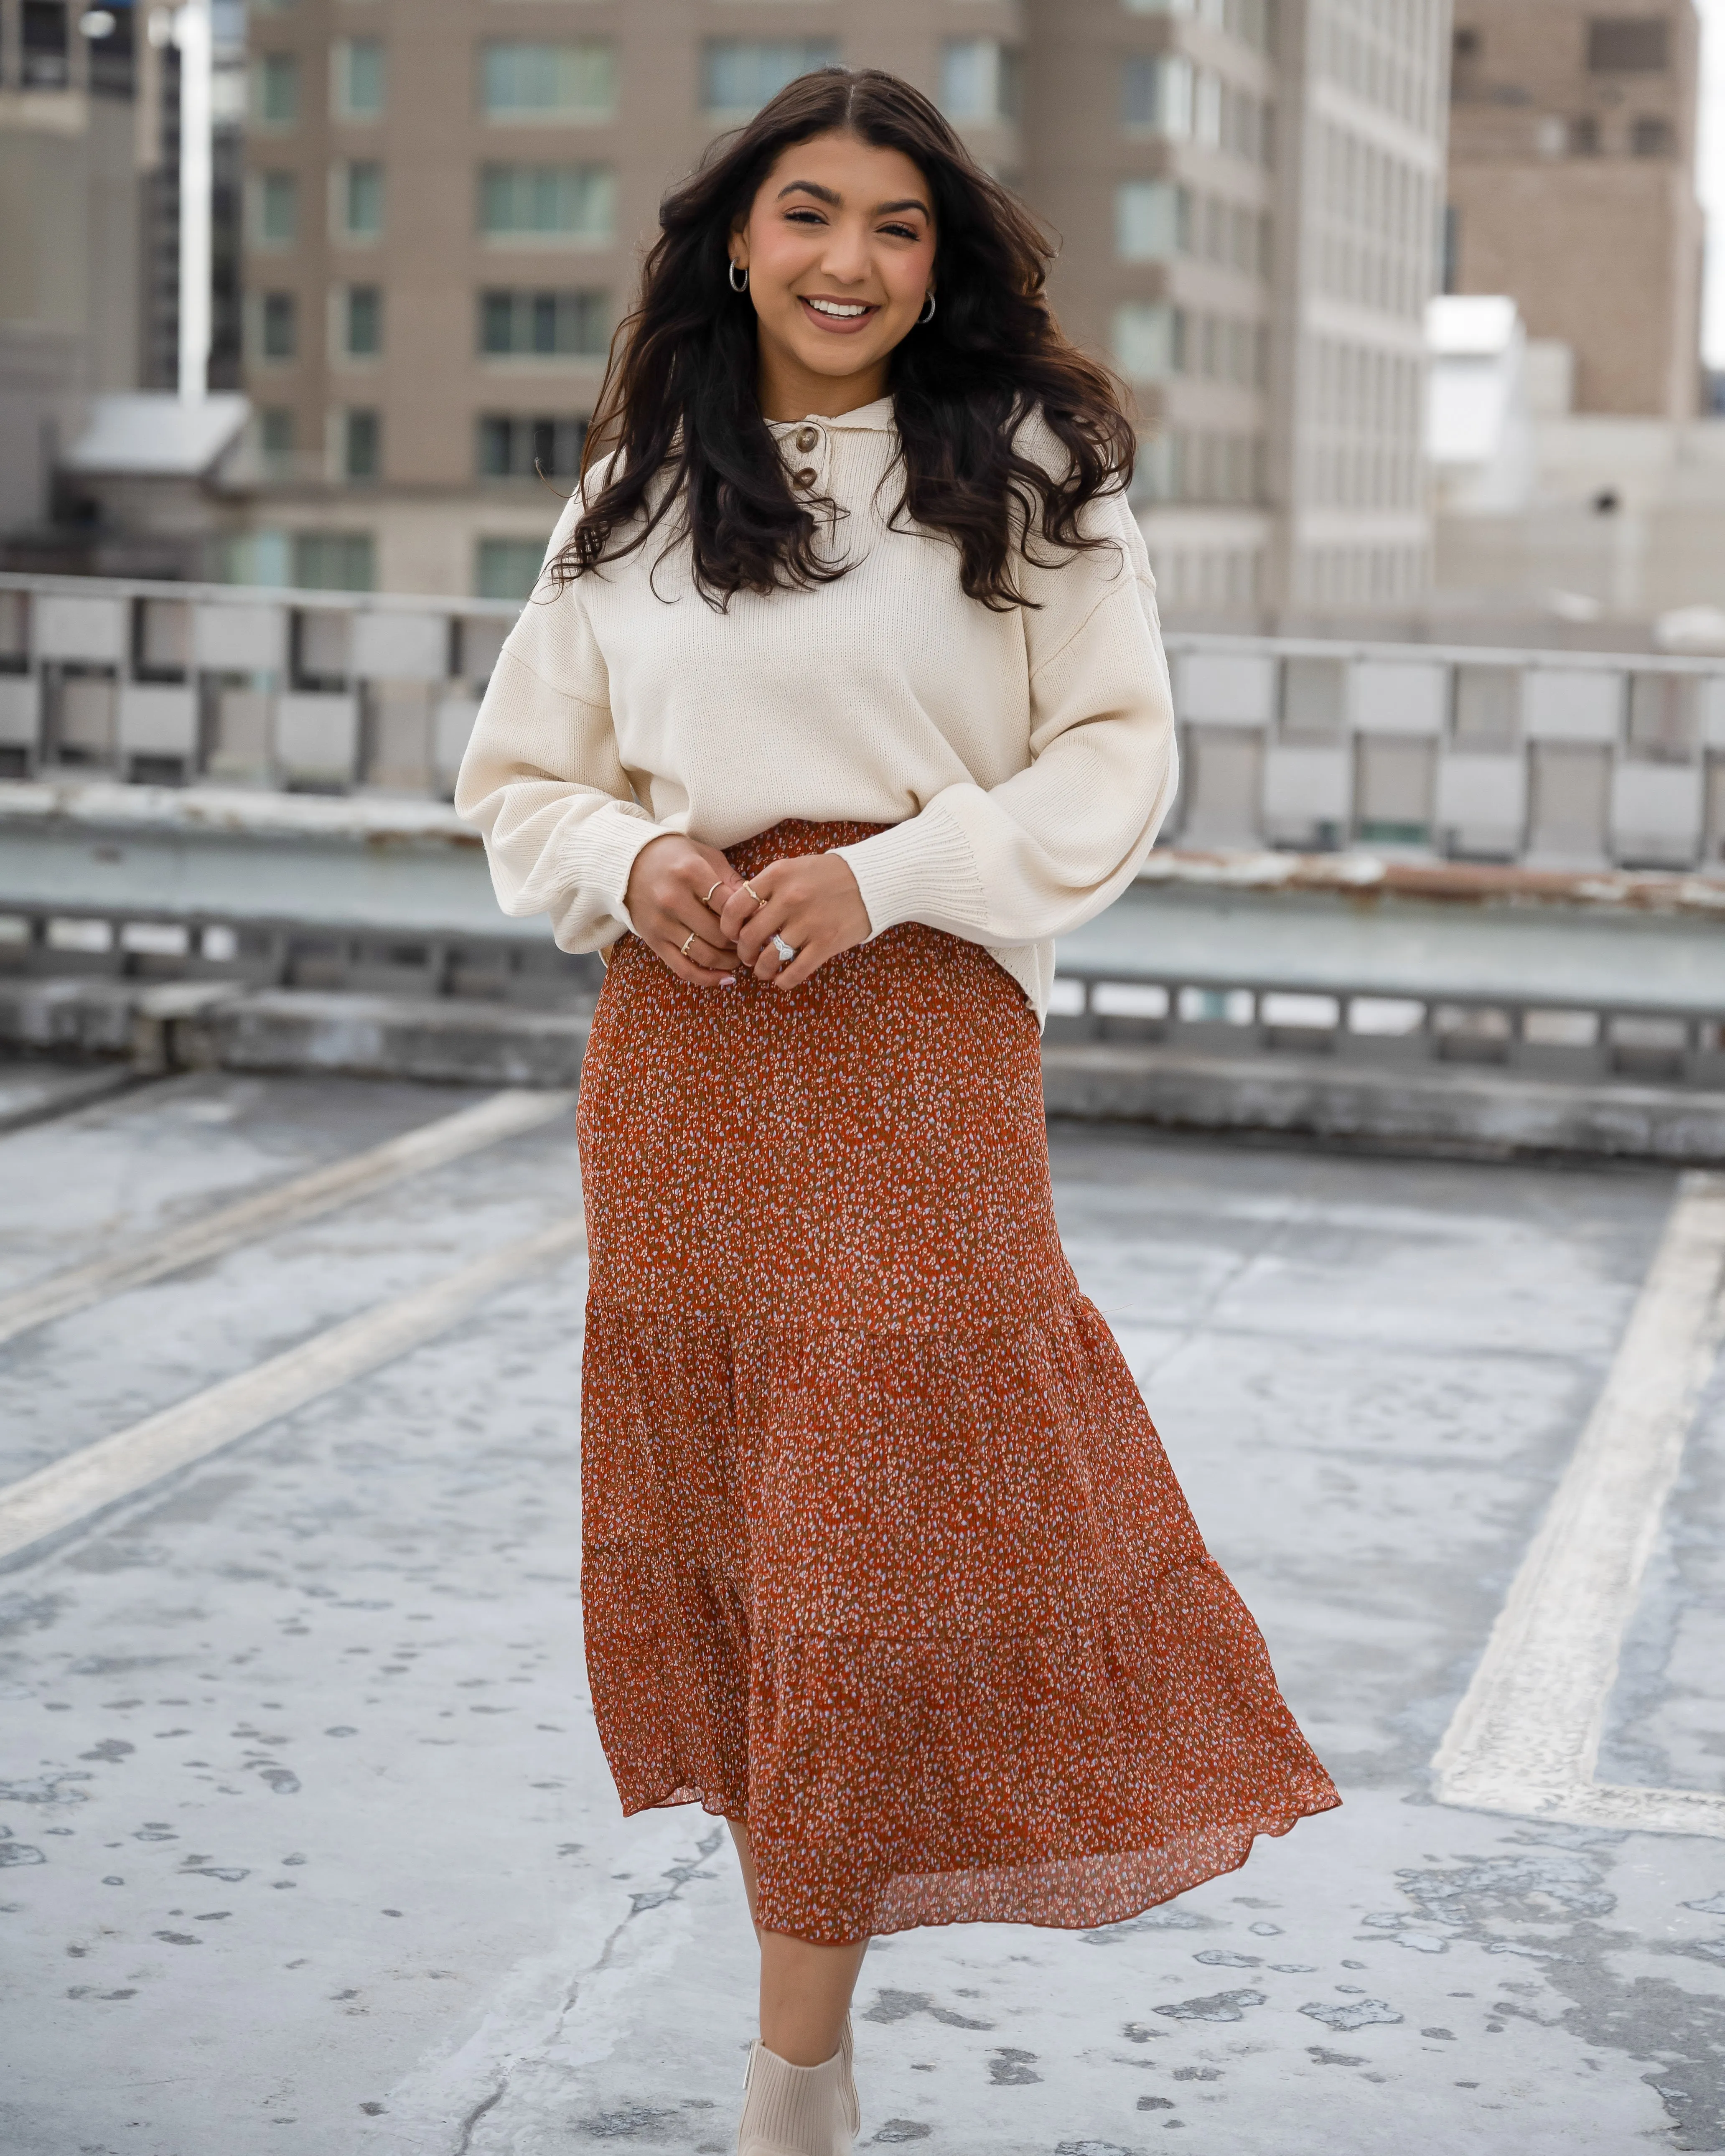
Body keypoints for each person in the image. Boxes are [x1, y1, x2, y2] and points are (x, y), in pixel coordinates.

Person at [456, 66, 1338, 2156]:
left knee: (862, 1565)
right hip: (681, 1061)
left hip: (922, 1041)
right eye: (808, 215)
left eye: (897, 225)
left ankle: (786, 2078)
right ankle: (810, 2041)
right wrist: (630, 865)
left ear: (943, 257)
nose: (850, 261)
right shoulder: (643, 488)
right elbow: (516, 776)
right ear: (736, 243)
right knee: (752, 1564)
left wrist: (891, 875)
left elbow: (1115, 762)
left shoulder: (1034, 471)